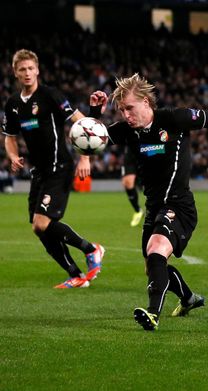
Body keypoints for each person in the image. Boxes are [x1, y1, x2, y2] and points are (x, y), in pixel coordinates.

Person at [88, 73, 208, 331]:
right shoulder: (127, 132)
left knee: (156, 249)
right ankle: (188, 298)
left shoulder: (174, 119)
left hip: (180, 205)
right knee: (153, 266)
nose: (126, 115)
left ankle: (153, 313)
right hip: (154, 208)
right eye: (121, 111)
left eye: (130, 108)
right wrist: (93, 113)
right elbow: (90, 141)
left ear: (146, 102)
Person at [2, 49, 104, 289]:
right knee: (39, 230)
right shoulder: (13, 104)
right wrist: (13, 155)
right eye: (22, 70)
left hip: (59, 165)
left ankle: (92, 249)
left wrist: (85, 158)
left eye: (30, 68)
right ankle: (75, 274)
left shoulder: (50, 95)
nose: (27, 73)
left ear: (37, 70)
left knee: (41, 222)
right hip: (38, 171)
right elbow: (9, 136)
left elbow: (82, 122)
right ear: (15, 73)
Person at [121, 145, 144, 226]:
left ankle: (157, 212)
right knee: (127, 182)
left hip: (149, 146)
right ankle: (138, 211)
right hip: (131, 149)